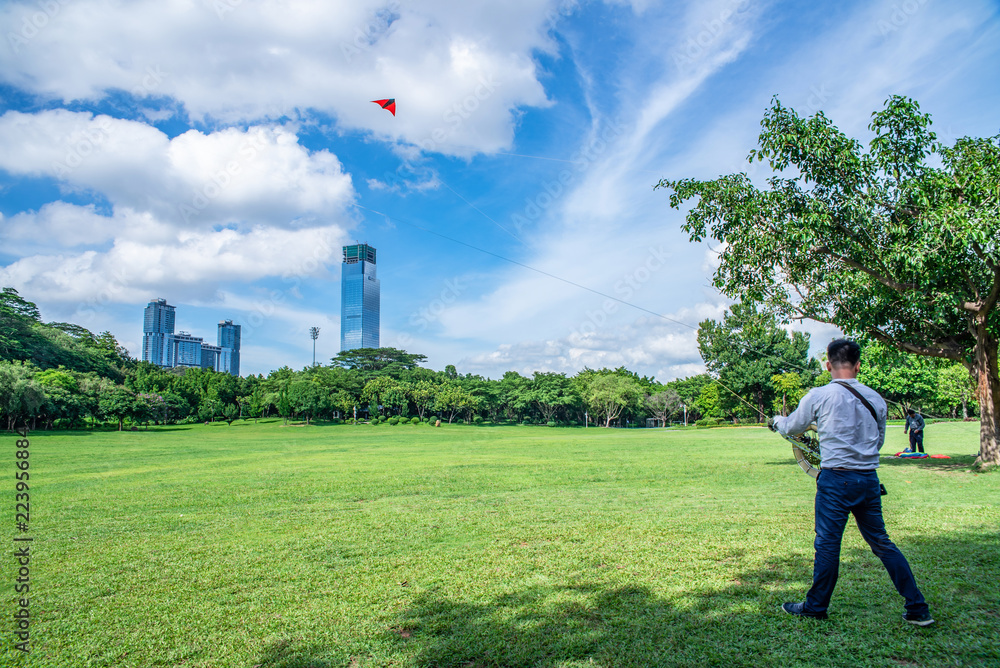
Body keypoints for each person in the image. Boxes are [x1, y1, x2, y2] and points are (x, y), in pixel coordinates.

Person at [768, 338, 934, 626]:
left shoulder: (819, 395)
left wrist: (776, 422)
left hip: (835, 480)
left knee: (828, 544)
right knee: (882, 543)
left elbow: (792, 426)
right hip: (868, 479)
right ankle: (917, 608)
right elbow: (878, 441)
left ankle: (816, 606)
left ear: (828, 364)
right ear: (858, 365)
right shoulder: (876, 399)